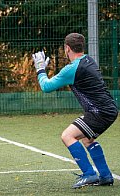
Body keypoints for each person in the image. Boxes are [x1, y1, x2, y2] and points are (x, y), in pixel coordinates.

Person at [32, 33, 118, 189]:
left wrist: (40, 69)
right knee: (87, 139)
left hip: (99, 112)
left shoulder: (72, 69)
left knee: (68, 136)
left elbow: (46, 87)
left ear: (67, 48)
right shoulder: (88, 60)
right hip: (108, 110)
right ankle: (105, 176)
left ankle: (89, 174)